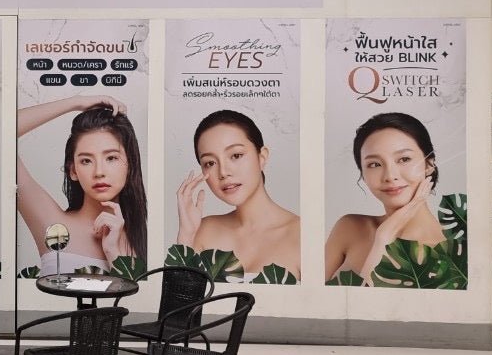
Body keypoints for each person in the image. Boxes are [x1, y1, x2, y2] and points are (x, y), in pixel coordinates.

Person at [324, 112, 463, 287]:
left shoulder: (450, 255)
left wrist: (383, 239)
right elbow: (310, 299)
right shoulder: (349, 228)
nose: (390, 176)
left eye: (404, 159)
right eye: (374, 164)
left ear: (429, 165)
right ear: (363, 174)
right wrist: (384, 236)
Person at [16, 95, 148, 273]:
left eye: (111, 158)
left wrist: (113, 252)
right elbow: (4, 131)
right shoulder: (54, 227)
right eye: (86, 160)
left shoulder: (144, 240)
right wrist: (75, 102)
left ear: (130, 164)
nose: (99, 171)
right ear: (73, 171)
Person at [169, 110, 300, 282]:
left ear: (262, 157)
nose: (223, 172)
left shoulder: (303, 235)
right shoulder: (203, 231)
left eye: (236, 156)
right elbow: (179, 297)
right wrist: (186, 236)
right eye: (210, 163)